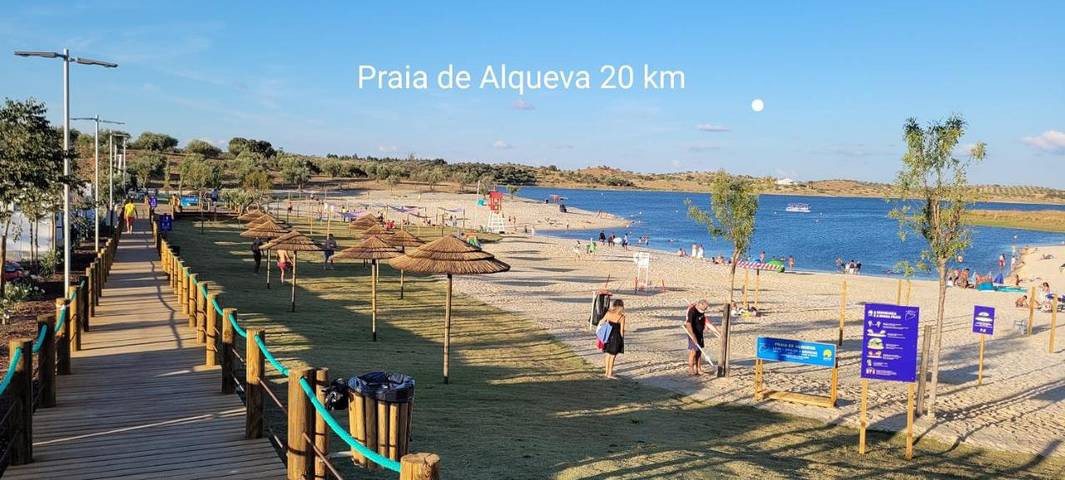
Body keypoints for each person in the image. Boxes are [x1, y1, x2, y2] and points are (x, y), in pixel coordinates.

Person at [684, 300, 721, 376]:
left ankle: (699, 369)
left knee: (699, 352)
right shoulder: (692, 311)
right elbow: (688, 324)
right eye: (705, 307)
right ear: (700, 304)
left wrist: (707, 328)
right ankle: (691, 369)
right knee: (693, 351)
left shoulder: (701, 311)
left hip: (699, 333)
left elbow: (705, 321)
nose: (706, 309)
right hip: (692, 334)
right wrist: (693, 336)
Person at [600, 299, 626, 379]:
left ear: (614, 305)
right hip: (616, 337)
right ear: (621, 307)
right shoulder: (621, 317)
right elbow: (621, 331)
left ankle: (606, 372)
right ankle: (610, 373)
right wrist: (622, 339)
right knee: (613, 356)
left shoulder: (608, 313)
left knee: (607, 354)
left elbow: (601, 322)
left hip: (608, 336)